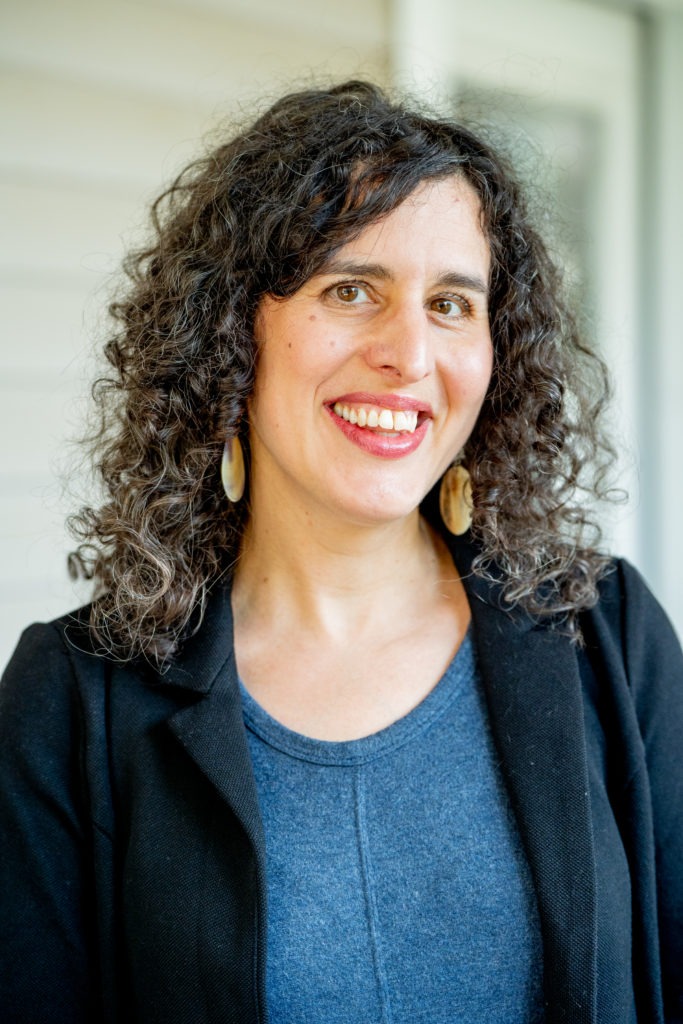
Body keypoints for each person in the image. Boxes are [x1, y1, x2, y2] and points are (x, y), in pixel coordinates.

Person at [0, 79, 681, 1024]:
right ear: (231, 331)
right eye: (350, 289)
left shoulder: (608, 635)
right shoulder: (73, 699)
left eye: (451, 303)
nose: (409, 354)